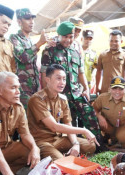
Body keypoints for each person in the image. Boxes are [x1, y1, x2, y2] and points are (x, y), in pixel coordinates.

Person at [40, 21, 106, 152]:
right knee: (68, 124)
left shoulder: (76, 50)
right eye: (65, 37)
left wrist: (86, 89)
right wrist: (46, 93)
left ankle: (99, 147)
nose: (68, 40)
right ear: (58, 35)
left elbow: (81, 73)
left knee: (90, 115)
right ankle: (73, 148)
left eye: (70, 37)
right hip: (59, 95)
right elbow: (44, 74)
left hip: (76, 93)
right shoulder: (49, 50)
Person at [27, 64, 97, 160]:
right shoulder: (37, 99)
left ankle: (63, 152)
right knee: (61, 162)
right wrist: (84, 130)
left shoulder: (63, 99)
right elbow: (54, 126)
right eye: (58, 78)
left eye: (64, 79)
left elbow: (68, 124)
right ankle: (56, 155)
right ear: (47, 80)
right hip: (42, 141)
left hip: (59, 139)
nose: (62, 82)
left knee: (90, 146)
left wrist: (75, 144)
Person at [0, 72, 40, 175]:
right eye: (13, 88)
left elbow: (25, 134)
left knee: (29, 152)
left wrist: (35, 148)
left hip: (7, 148)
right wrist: (6, 172)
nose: (18, 92)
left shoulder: (18, 107)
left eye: (18, 88)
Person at [9, 8, 50, 109]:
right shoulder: (14, 38)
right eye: (27, 19)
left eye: (32, 19)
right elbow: (22, 57)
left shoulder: (30, 41)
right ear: (19, 21)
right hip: (23, 90)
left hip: (35, 88)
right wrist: (40, 43)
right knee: (26, 120)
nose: (32, 22)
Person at [93, 76, 125, 152]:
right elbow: (92, 110)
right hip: (108, 126)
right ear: (109, 88)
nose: (117, 92)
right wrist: (99, 116)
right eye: (114, 88)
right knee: (93, 119)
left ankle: (119, 140)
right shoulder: (102, 98)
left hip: (122, 127)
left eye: (120, 89)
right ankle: (103, 138)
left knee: (123, 137)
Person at [96, 30, 125, 94]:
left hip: (119, 91)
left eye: (116, 41)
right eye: (111, 41)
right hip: (105, 90)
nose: (113, 43)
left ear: (121, 41)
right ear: (109, 41)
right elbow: (98, 71)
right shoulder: (102, 54)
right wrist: (97, 87)